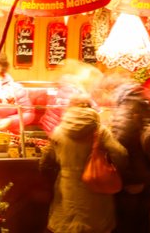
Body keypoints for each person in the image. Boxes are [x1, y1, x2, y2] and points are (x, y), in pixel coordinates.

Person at [42, 98, 128, 233]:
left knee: (68, 224)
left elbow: (46, 161)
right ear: (90, 108)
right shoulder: (100, 131)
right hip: (96, 187)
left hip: (67, 188)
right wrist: (110, 167)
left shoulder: (59, 131)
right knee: (95, 224)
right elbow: (120, 154)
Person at [109, 81, 150, 232]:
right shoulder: (145, 105)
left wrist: (124, 176)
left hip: (132, 176)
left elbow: (121, 145)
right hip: (147, 174)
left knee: (126, 222)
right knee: (142, 221)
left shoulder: (125, 108)